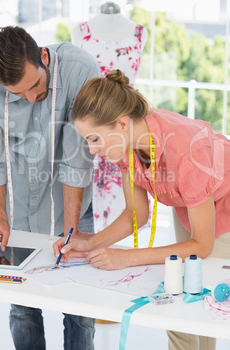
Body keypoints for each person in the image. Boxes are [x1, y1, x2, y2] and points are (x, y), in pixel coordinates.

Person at [54, 69, 230, 350]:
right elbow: (136, 215)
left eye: (95, 139)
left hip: (225, 203)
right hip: (190, 202)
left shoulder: (187, 155)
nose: (90, 150)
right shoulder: (125, 145)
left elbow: (203, 245)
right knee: (180, 298)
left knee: (204, 298)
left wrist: (126, 258)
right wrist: (89, 245)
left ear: (121, 124)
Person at [0, 25, 100, 350]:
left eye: (35, 86)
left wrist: (71, 229)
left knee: (80, 310)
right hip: (18, 209)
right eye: (18, 94)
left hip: (75, 205)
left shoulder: (80, 71)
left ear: (43, 56)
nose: (30, 98)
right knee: (23, 305)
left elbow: (78, 158)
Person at [72, 1, 149, 233]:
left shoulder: (139, 33)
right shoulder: (81, 32)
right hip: (95, 131)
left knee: (132, 204)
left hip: (127, 129)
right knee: (89, 204)